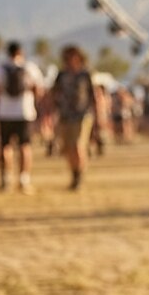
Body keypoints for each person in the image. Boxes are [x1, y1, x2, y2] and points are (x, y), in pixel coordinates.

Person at [0, 41, 43, 194]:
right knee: (25, 147)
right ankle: (23, 180)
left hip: (4, 112)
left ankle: (6, 179)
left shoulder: (1, 68)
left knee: (5, 147)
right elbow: (38, 90)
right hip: (24, 112)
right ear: (21, 52)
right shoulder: (29, 68)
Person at [50, 45, 102, 191]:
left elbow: (94, 96)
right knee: (68, 148)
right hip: (65, 116)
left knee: (78, 146)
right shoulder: (61, 75)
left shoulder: (86, 74)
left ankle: (79, 176)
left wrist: (98, 116)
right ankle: (74, 174)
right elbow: (53, 94)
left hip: (82, 115)